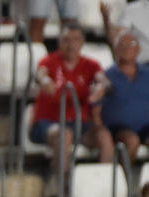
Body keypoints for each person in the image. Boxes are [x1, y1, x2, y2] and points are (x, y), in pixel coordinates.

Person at [29, 24, 113, 182]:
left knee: (104, 136)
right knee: (64, 134)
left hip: (80, 124)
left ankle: (105, 186)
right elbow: (40, 74)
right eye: (66, 40)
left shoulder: (91, 65)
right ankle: (64, 188)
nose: (71, 44)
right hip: (48, 123)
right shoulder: (49, 61)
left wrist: (101, 87)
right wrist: (45, 81)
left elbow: (103, 81)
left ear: (82, 43)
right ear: (59, 42)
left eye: (75, 40)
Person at [96, 32, 149, 162]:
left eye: (130, 44)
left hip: (146, 127)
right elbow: (95, 107)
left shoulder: (147, 74)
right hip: (118, 129)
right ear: (115, 49)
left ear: (138, 49)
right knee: (132, 140)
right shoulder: (105, 76)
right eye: (122, 44)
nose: (126, 48)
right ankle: (124, 180)